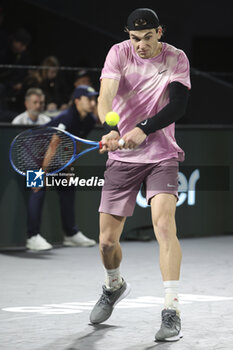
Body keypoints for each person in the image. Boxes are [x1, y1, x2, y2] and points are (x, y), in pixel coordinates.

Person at [89, 8, 191, 342]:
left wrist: (143, 129)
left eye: (148, 37)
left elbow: (177, 106)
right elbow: (105, 95)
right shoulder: (118, 53)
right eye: (135, 38)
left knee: (164, 225)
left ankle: (171, 311)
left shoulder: (176, 58)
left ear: (159, 32)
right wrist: (111, 127)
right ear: (127, 35)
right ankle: (114, 285)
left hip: (162, 154)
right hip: (122, 157)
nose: (141, 45)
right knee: (106, 242)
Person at [25, 85, 98, 251]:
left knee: (68, 186)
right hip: (34, 152)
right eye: (89, 99)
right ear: (78, 101)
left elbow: (75, 146)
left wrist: (68, 169)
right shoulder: (68, 117)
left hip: (55, 156)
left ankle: (71, 234)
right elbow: (54, 143)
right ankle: (32, 236)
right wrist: (43, 173)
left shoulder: (89, 121)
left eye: (94, 99)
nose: (93, 103)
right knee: (38, 189)